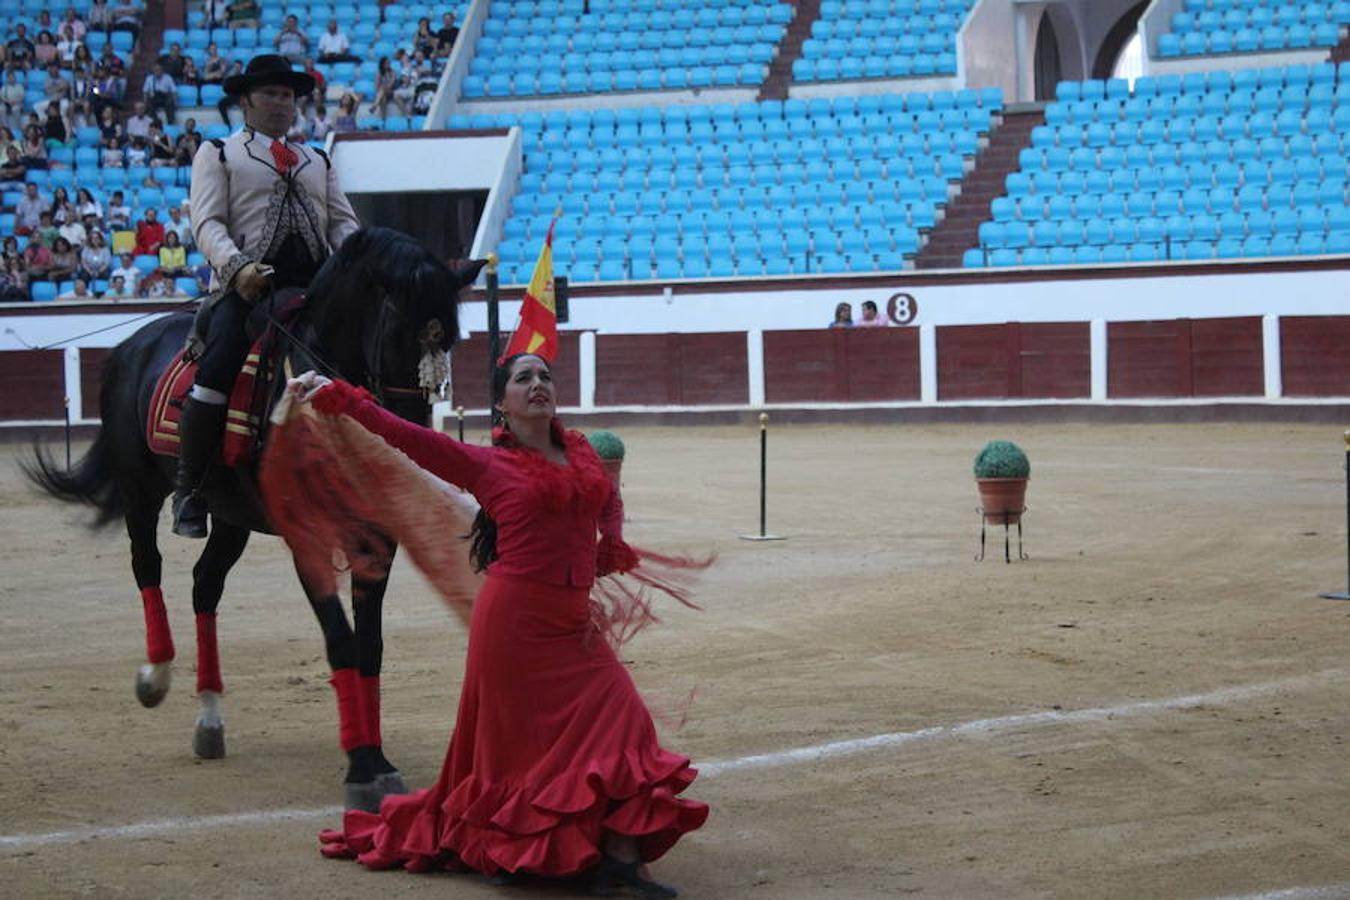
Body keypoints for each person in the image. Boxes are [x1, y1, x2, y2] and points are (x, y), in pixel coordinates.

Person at [285, 353, 707, 894]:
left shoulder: (581, 453)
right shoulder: (485, 465)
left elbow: (607, 494)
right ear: (502, 404)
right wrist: (336, 392)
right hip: (514, 627)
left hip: (573, 622)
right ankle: (586, 856)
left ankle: (619, 858)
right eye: (523, 379)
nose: (538, 385)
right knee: (520, 756)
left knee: (625, 721)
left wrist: (613, 539)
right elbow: (403, 434)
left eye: (545, 376)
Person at [174, 53, 361, 538]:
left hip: (316, 290)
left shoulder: (316, 158)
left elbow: (342, 222)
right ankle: (190, 489)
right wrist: (238, 269)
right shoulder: (217, 152)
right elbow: (207, 222)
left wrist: (354, 265)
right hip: (249, 290)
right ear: (245, 101)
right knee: (216, 372)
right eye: (271, 94)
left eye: (288, 95)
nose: (281, 103)